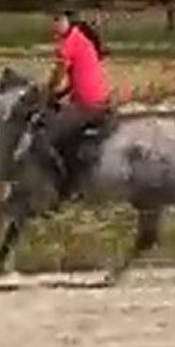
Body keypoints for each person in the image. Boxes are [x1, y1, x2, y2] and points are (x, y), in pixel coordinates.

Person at [34, 10, 113, 203]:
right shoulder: (82, 39)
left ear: (69, 22)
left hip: (87, 105)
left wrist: (45, 97)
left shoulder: (68, 44)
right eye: (53, 20)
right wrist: (60, 95)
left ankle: (65, 187)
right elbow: (75, 79)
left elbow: (57, 77)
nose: (54, 24)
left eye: (58, 20)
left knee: (45, 137)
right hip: (99, 100)